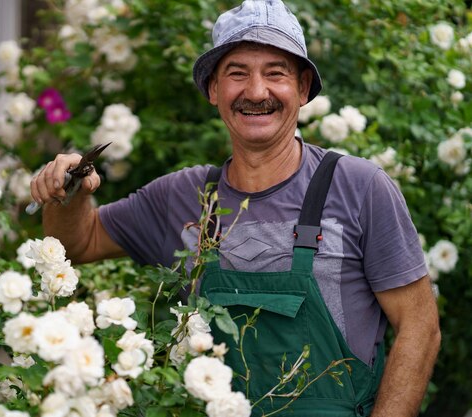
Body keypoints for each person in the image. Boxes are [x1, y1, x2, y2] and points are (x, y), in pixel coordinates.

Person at [30, 0, 441, 415]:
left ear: (302, 89)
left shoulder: (360, 187)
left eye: (275, 74)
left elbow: (419, 327)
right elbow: (78, 244)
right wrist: (70, 193)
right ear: (213, 90)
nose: (257, 92)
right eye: (237, 73)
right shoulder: (182, 195)